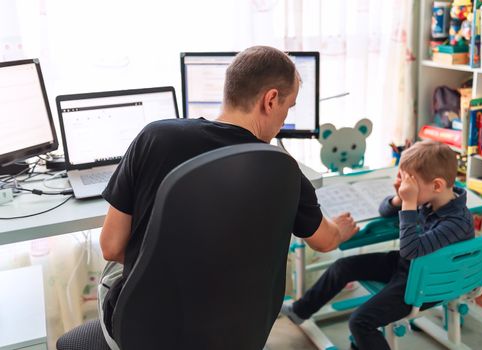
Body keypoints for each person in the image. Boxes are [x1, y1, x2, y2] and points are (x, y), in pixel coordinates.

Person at [96, 46, 359, 348]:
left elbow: (111, 246)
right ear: (270, 100)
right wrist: (341, 228)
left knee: (116, 268)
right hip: (235, 333)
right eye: (289, 107)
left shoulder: (155, 137)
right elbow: (325, 241)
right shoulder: (284, 169)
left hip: (146, 335)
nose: (284, 119)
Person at [281, 140, 475, 350]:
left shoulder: (456, 222)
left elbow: (410, 250)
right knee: (343, 266)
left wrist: (410, 204)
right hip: (411, 268)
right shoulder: (432, 198)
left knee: (360, 322)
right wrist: (399, 200)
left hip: (427, 283)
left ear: (437, 185)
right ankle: (300, 311)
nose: (404, 188)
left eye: (410, 183)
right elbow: (385, 211)